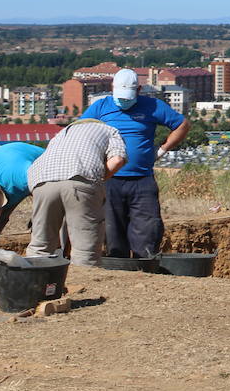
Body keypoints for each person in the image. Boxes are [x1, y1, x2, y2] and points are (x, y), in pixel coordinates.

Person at [81, 68, 189, 258]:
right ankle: (119, 270)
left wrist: (162, 149)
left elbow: (181, 125)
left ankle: (145, 267)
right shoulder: (101, 107)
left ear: (139, 90)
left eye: (128, 97)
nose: (124, 102)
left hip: (142, 181)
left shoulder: (153, 106)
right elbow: (80, 131)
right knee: (112, 231)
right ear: (112, 88)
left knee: (147, 229)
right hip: (110, 179)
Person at [25, 119, 127, 266]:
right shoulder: (110, 130)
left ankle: (35, 282)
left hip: (41, 181)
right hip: (80, 179)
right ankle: (84, 285)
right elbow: (117, 159)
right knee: (85, 251)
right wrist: (97, 182)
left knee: (41, 245)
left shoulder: (62, 133)